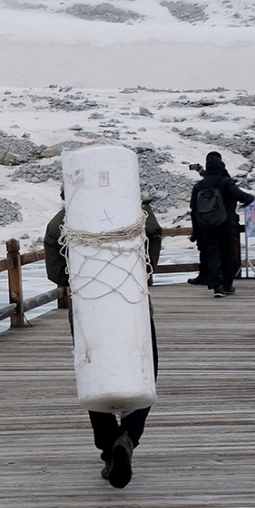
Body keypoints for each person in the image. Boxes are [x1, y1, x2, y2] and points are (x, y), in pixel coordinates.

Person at [45, 183, 162, 487]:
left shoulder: (60, 223)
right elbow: (154, 237)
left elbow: (56, 274)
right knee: (145, 368)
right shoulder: (136, 214)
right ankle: (129, 436)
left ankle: (110, 444)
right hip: (132, 302)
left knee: (93, 373)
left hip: (88, 309)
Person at [189, 151, 255, 297]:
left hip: (207, 226)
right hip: (225, 224)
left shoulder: (199, 186)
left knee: (213, 254)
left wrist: (196, 229)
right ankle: (227, 285)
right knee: (227, 254)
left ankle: (216, 286)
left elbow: (193, 208)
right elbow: (239, 195)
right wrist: (250, 198)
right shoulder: (225, 182)